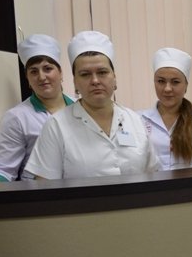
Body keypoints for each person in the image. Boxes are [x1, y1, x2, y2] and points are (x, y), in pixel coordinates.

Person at [24, 31, 160, 179]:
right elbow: (45, 185)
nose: (95, 81)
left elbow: (152, 175)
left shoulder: (135, 121)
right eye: (85, 74)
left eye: (102, 72)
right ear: (75, 82)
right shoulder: (56, 126)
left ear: (114, 77)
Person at [0, 34, 73, 182]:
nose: (41, 77)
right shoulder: (17, 117)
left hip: (81, 188)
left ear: (60, 72)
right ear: (27, 79)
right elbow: (2, 169)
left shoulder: (81, 108)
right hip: (37, 191)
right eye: (33, 71)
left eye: (47, 68)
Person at [140, 47, 192, 169]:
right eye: (161, 81)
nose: (167, 88)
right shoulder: (138, 120)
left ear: (186, 85)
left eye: (175, 82)